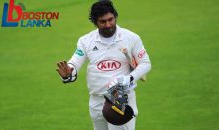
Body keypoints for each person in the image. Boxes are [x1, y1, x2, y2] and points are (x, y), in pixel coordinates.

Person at [56, 1, 151, 130]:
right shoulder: (86, 41)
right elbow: (74, 63)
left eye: (110, 19)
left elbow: (145, 63)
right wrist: (68, 73)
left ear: (115, 16)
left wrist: (129, 79)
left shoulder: (131, 38)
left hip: (120, 99)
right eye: (103, 21)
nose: (108, 24)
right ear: (95, 22)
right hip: (96, 101)